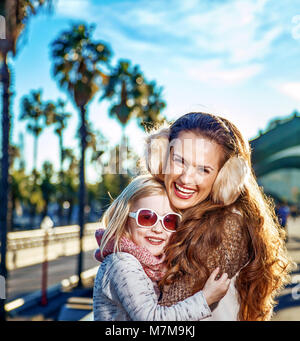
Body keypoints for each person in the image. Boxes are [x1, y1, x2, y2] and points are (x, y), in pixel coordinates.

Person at [142, 112, 295, 321]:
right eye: (179, 161)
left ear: (225, 179)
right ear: (162, 157)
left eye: (204, 169)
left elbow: (165, 315)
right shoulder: (168, 214)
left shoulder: (228, 225)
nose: (186, 178)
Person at [93, 175, 230, 321]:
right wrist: (205, 299)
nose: (158, 229)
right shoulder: (122, 263)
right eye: (147, 217)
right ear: (125, 219)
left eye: (169, 221)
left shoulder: (154, 267)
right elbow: (152, 319)